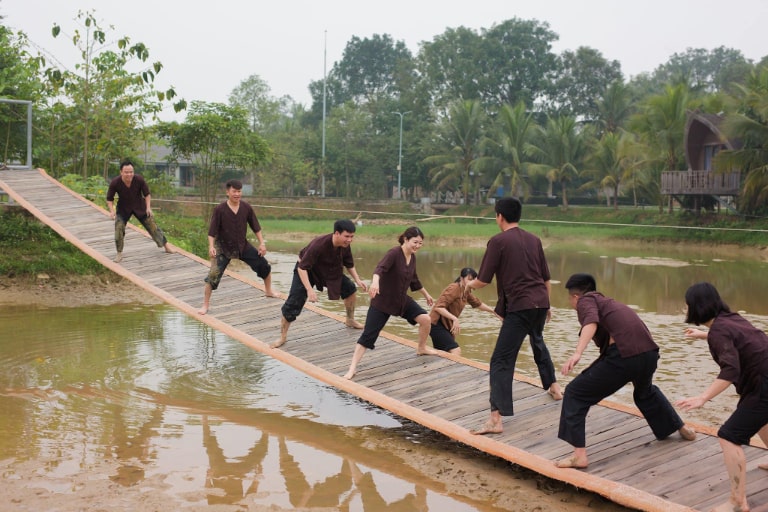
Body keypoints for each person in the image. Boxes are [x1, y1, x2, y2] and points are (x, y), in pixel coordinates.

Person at [555, 273, 696, 469]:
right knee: (644, 392)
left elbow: (590, 323)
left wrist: (577, 353)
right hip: (648, 353)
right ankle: (682, 428)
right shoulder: (608, 303)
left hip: (625, 356)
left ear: (575, 297)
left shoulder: (586, 300)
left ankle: (579, 456)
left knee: (574, 393)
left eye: (570, 299)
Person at [465, 197, 562, 436]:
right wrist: (546, 305)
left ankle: (495, 419)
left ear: (499, 216)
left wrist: (469, 286)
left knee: (500, 361)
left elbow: (484, 280)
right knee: (537, 340)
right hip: (540, 303)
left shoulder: (498, 241)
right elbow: (546, 278)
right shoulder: (534, 239)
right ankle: (555, 387)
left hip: (520, 306)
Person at [676, 282, 768, 512]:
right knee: (758, 418)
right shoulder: (730, 318)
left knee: (729, 435)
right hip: (762, 380)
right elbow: (739, 338)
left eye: (687, 305)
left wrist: (703, 397)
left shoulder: (720, 331)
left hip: (763, 384)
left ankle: (738, 502)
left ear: (697, 307)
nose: (685, 308)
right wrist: (703, 335)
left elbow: (730, 371)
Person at [343, 226, 437, 380]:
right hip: (383, 302)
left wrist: (426, 295)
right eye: (415, 242)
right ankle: (352, 369)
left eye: (420, 243)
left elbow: (414, 280)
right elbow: (379, 269)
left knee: (426, 319)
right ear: (406, 239)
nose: (418, 246)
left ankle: (421, 348)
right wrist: (375, 283)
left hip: (401, 300)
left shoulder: (412, 257)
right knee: (368, 336)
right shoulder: (394, 253)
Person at [270, 219, 368, 349]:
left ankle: (350, 319)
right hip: (306, 271)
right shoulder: (319, 244)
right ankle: (283, 336)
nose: (349, 240)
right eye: (347, 236)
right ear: (337, 233)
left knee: (350, 289)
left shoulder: (345, 245)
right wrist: (310, 290)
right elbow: (302, 268)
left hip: (328, 270)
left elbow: (349, 264)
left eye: (352, 237)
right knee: (293, 303)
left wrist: (357, 279)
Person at [198, 179, 277, 315]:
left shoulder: (246, 207)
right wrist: (211, 246)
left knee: (264, 265)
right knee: (212, 276)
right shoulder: (219, 209)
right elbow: (212, 232)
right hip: (223, 247)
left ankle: (268, 291)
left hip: (242, 245)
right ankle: (205, 305)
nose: (237, 194)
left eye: (239, 191)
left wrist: (262, 243)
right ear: (228, 192)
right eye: (234, 191)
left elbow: (256, 227)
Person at [106, 159, 173, 263]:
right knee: (118, 228)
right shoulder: (115, 182)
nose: (129, 174)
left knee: (152, 225)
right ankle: (119, 253)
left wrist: (148, 207)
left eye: (131, 172)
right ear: (121, 172)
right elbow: (109, 199)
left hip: (139, 206)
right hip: (123, 208)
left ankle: (166, 246)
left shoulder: (139, 179)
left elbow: (147, 194)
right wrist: (111, 211)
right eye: (126, 172)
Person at [428, 267, 502, 356]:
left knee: (443, 354)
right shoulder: (454, 288)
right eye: (469, 279)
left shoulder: (466, 291)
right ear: (461, 278)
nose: (471, 282)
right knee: (455, 350)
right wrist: (455, 319)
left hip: (446, 325)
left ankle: (440, 368)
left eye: (473, 280)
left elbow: (478, 304)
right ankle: (451, 370)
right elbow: (438, 307)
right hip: (436, 324)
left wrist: (494, 312)